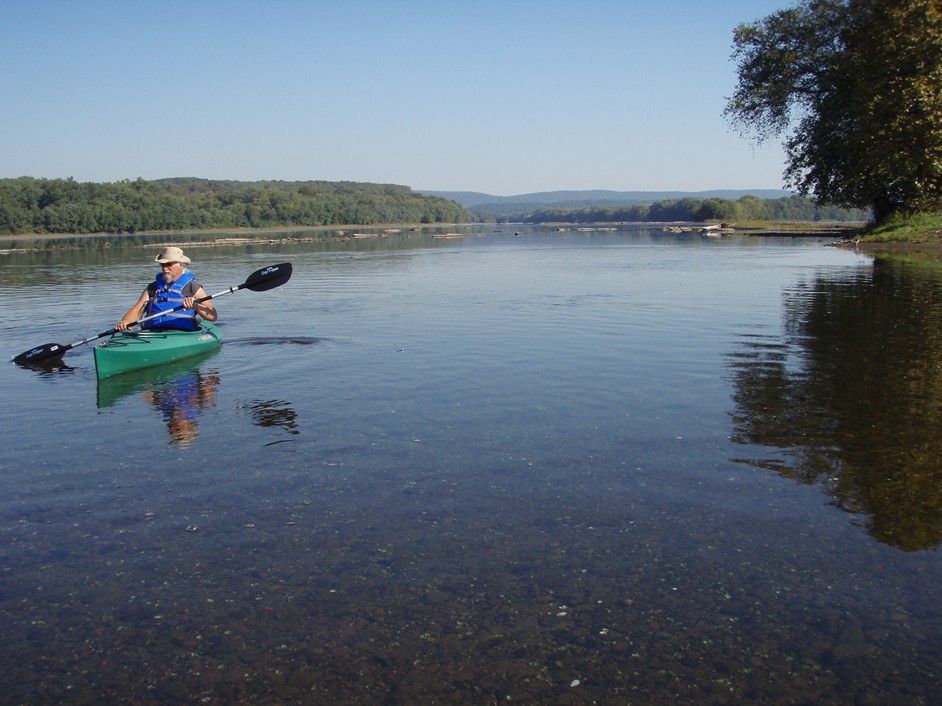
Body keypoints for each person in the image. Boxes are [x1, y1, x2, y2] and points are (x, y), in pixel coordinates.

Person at [116, 246, 218, 331]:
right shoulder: (152, 288)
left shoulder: (192, 287)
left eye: (169, 264)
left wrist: (196, 306)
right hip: (152, 333)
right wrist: (126, 322)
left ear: (181, 265)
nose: (164, 268)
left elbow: (212, 316)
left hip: (181, 333)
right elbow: (137, 311)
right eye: (162, 264)